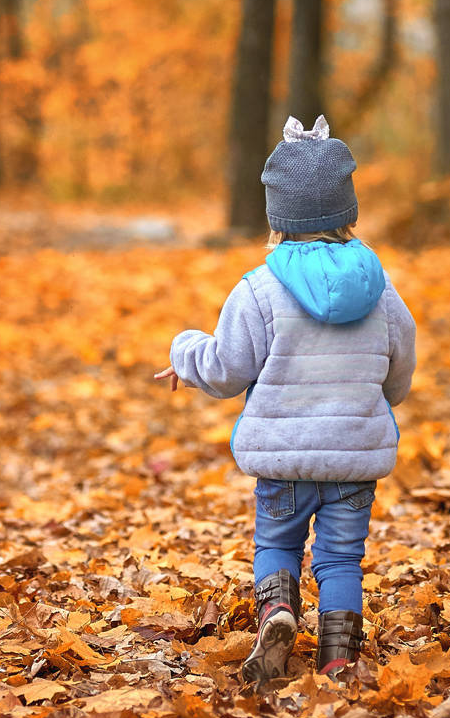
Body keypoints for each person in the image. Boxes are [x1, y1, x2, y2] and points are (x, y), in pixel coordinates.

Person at [155, 115, 417, 682]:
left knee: (277, 542)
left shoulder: (259, 289)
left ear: (277, 218)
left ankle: (277, 610)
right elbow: (399, 371)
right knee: (342, 558)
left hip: (283, 456)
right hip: (353, 455)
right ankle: (340, 654)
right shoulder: (381, 289)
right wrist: (381, 397)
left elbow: (225, 370)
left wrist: (185, 352)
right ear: (348, 211)